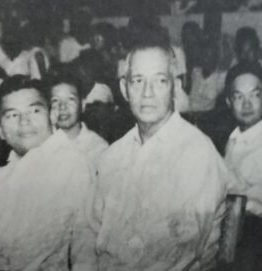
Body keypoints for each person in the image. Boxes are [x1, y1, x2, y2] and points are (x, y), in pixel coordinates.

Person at [91, 40, 234, 271]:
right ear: (124, 89)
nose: (147, 93)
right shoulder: (112, 157)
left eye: (159, 81)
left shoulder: (197, 153)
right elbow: (90, 234)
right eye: (138, 81)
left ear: (176, 87)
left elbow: (177, 253)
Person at [0, 75, 97, 271]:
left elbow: (86, 253)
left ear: (51, 116)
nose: (25, 121)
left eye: (34, 110)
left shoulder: (72, 166)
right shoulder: (2, 178)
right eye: (12, 115)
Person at [225, 63, 262, 270]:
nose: (246, 105)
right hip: (229, 231)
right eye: (238, 97)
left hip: (258, 243)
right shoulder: (233, 138)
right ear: (228, 101)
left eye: (254, 95)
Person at [49, 72, 108, 168]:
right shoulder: (44, 143)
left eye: (70, 99)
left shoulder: (98, 147)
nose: (62, 107)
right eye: (55, 100)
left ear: (83, 105)